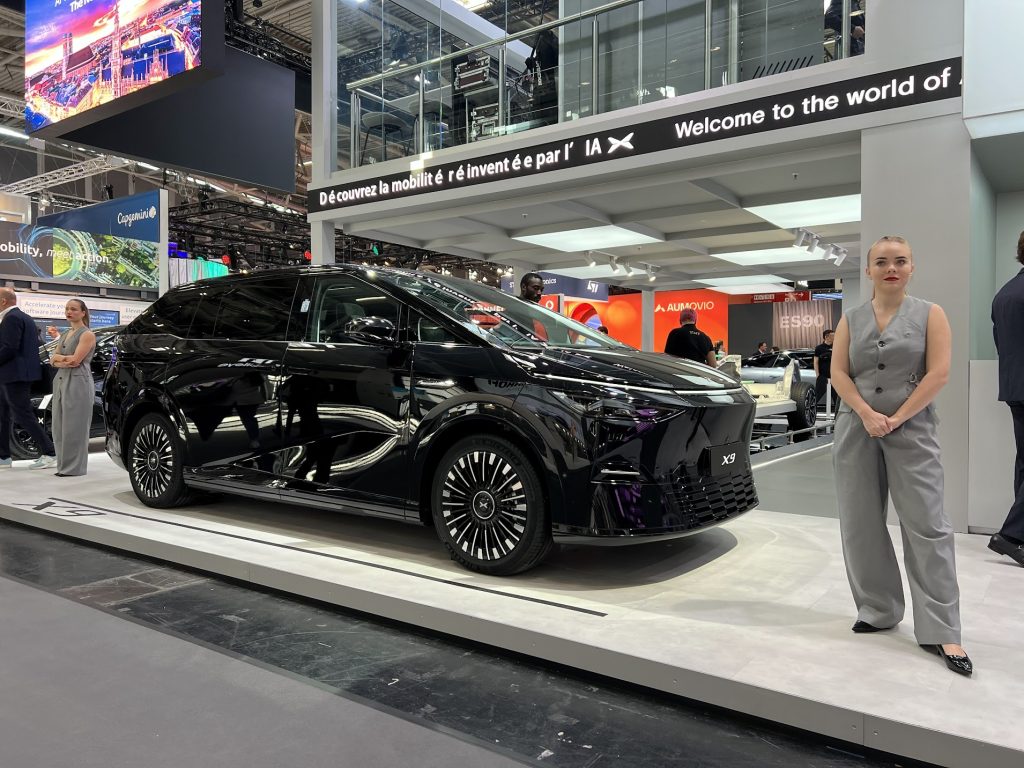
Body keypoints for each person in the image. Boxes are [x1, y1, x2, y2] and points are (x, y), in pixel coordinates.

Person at [830, 236, 971, 676]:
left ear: (912, 268)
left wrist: (896, 417)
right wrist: (866, 413)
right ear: (868, 270)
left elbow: (939, 373)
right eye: (881, 261)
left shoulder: (931, 314)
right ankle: (878, 609)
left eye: (900, 261)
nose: (891, 268)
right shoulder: (851, 319)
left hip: (913, 429)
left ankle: (942, 629)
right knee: (860, 525)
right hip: (856, 429)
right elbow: (838, 372)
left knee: (928, 525)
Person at [989, 231, 1024, 566]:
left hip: (1014, 387)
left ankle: (1019, 536)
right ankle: (1011, 536)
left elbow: (1002, 345)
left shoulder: (1004, 293)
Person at [0, 288, 58, 469]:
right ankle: (3, 457)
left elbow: (9, 348)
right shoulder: (24, 318)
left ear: (3, 301)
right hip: (13, 375)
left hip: (15, 375)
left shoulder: (12, 318)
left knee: (22, 414)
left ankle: (50, 452)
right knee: (3, 414)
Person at [48, 298, 96, 477]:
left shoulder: (87, 334)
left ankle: (74, 468)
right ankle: (63, 466)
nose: (69, 312)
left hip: (78, 382)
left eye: (74, 309)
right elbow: (52, 359)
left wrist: (59, 359)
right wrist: (61, 360)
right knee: (59, 427)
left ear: (83, 312)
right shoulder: (66, 333)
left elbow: (76, 360)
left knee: (75, 427)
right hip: (61, 380)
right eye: (67, 309)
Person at [814, 329, 839, 408]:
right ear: (826, 337)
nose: (835, 337)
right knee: (816, 396)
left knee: (837, 398)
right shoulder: (819, 348)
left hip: (834, 376)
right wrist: (817, 375)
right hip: (822, 376)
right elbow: (816, 362)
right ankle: (811, 412)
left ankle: (837, 414)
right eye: (833, 336)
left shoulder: (836, 347)